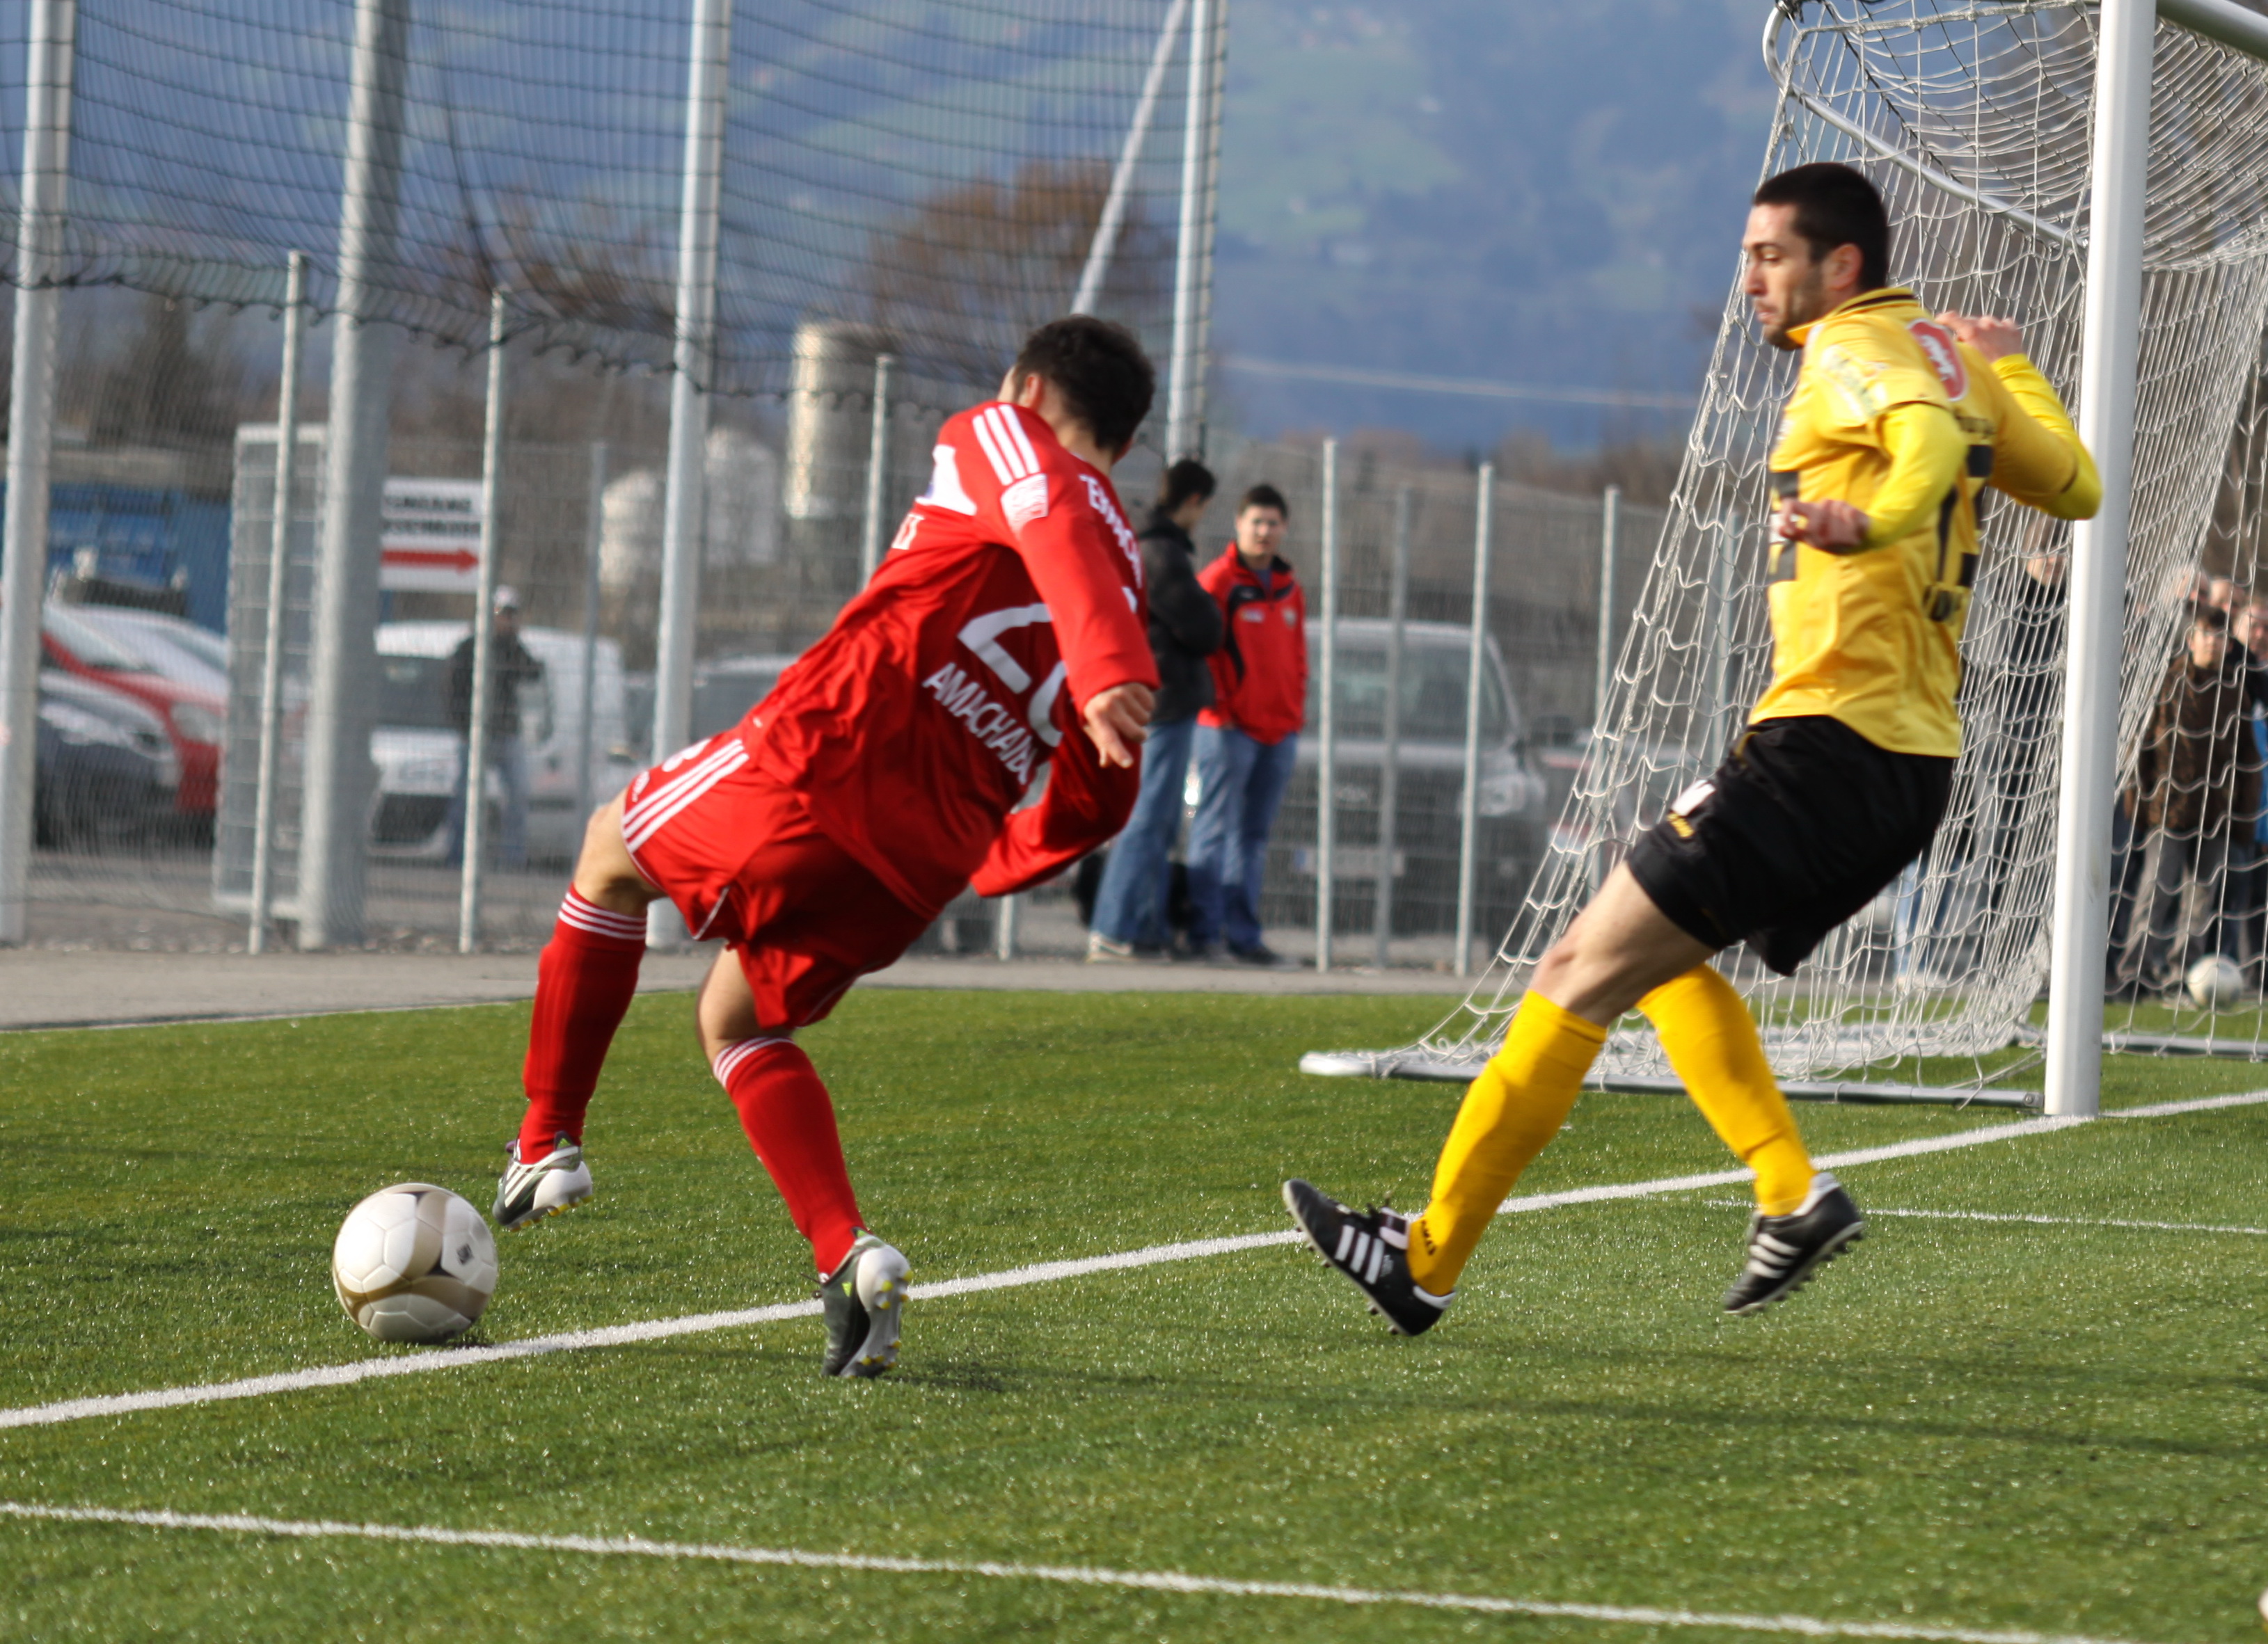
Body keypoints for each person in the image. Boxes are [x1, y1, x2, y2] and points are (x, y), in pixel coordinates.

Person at [1284, 161, 2100, 1334]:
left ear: (1839, 266)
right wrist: (2008, 363)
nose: (1748, 278)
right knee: (1643, 955)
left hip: (1824, 743)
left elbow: (1920, 441)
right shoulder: (1948, 356)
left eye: (1768, 255)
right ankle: (1783, 1190)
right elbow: (2072, 483)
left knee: (1572, 971)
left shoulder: (1855, 345)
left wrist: (1868, 518)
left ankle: (1423, 1262)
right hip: (1906, 763)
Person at [493, 316, 1159, 1378]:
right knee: (735, 1017)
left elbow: (1047, 503)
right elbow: (1100, 796)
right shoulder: (1128, 574)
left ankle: (543, 1140)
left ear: (1027, 389)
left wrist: (1107, 655)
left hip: (816, 766)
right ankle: (847, 1255)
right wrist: (989, 857)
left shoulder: (1004, 437)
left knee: (608, 848)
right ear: (1126, 443)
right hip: (914, 869)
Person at [1088, 458, 1223, 961]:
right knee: (1147, 819)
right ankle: (1114, 927)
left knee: (1158, 820)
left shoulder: (1141, 543)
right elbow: (1205, 626)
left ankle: (1143, 927)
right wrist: (1210, 615)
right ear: (1194, 501)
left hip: (1154, 696)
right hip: (1162, 701)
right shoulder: (1161, 553)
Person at [1184, 484, 1306, 967]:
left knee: (1253, 837)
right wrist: (1223, 706)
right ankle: (1204, 933)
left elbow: (1297, 655)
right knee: (1213, 830)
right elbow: (1203, 650)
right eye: (1256, 521)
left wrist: (1294, 710)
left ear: (1284, 528)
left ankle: (1244, 936)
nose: (1264, 531)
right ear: (1238, 524)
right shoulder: (1218, 581)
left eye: (1272, 523)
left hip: (1279, 731)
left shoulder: (1290, 587)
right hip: (1228, 729)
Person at [2116, 604, 2260, 994]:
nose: (2213, 642)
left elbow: (2248, 759)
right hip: (2168, 810)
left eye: (2220, 636)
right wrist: (2137, 803)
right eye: (2206, 634)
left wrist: (2242, 817)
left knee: (2200, 901)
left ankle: (2182, 974)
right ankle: (2134, 971)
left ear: (2229, 645)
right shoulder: (2166, 684)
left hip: (2215, 815)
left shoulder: (2236, 693)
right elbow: (2140, 747)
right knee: (2156, 890)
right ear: (2191, 639)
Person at [444, 586, 546, 870]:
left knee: (517, 795)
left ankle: (512, 859)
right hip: (475, 735)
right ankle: (458, 857)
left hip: (506, 734)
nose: (506, 620)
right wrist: (463, 727)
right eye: (502, 613)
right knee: (466, 797)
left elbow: (533, 672)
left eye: (512, 614)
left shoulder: (512, 648)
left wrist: (514, 642)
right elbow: (452, 689)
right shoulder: (469, 648)